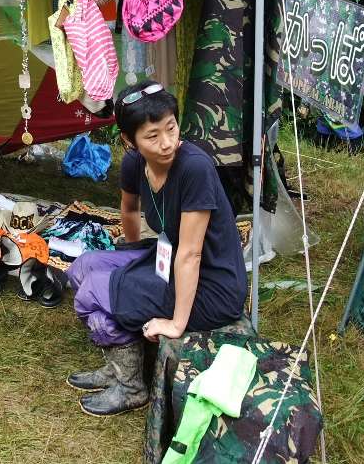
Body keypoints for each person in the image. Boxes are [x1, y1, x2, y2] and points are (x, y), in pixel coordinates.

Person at [66, 81, 248, 416]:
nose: (166, 143)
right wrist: (128, 257)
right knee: (82, 269)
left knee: (93, 291)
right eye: (152, 136)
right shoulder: (135, 164)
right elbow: (129, 210)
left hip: (212, 285)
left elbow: (192, 254)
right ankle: (120, 366)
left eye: (171, 128)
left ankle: (132, 386)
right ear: (129, 141)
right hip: (168, 258)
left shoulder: (195, 168)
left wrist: (177, 324)